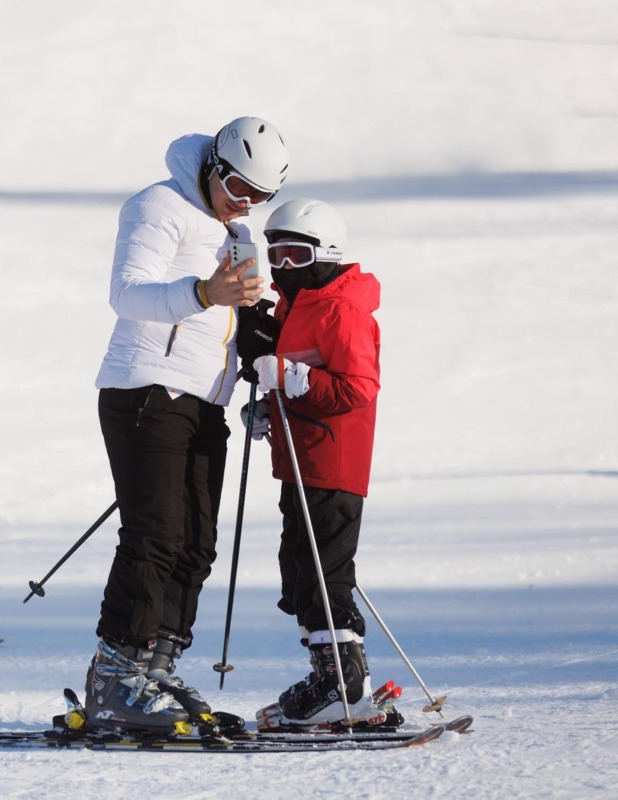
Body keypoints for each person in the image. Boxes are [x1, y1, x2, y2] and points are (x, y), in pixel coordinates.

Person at [87, 117, 290, 734]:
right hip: (146, 387)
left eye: (260, 197)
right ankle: (116, 676)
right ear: (212, 166)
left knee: (197, 540)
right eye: (237, 186)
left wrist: (257, 331)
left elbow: (234, 311)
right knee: (154, 536)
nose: (245, 202)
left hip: (205, 398)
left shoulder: (235, 230)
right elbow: (127, 293)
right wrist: (206, 292)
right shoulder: (159, 204)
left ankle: (157, 666)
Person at [242, 199, 385, 730]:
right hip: (299, 462)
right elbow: (291, 375)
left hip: (332, 463)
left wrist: (290, 378)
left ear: (325, 255)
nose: (282, 266)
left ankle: (340, 686)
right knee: (303, 576)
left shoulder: (339, 308)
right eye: (275, 253)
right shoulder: (293, 306)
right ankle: (331, 677)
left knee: (326, 577)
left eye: (295, 255)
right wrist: (269, 406)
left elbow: (358, 388)